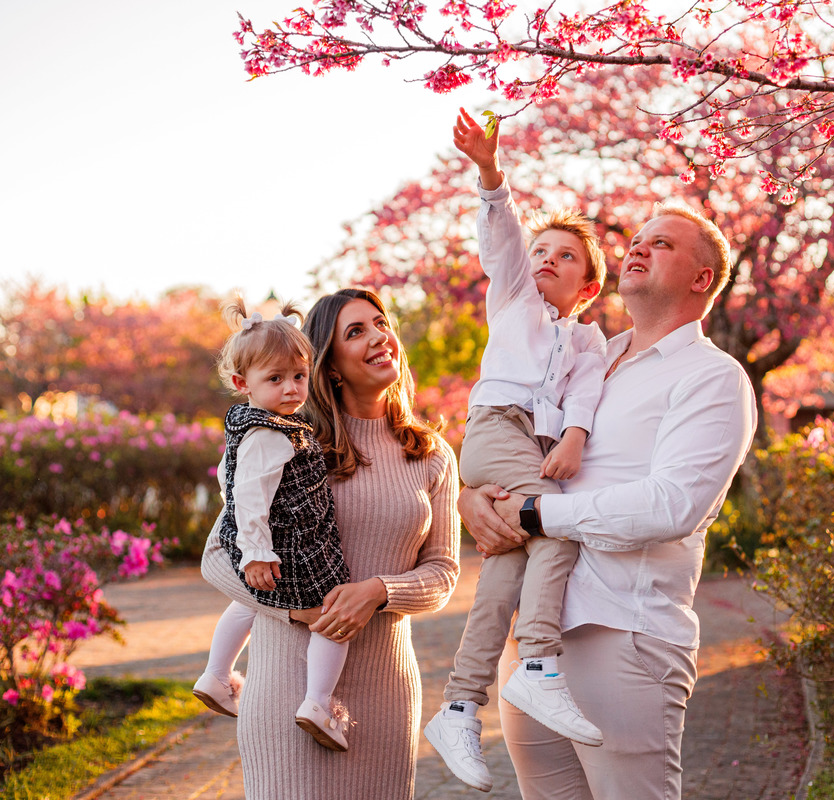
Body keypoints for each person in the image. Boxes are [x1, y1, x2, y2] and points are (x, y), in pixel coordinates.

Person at [460, 205, 758, 800]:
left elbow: (672, 505)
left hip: (624, 636)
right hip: (536, 639)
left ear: (702, 278)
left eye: (662, 244)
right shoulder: (581, 357)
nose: (638, 248)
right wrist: (473, 498)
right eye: (638, 239)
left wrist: (536, 515)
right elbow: (516, 445)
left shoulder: (712, 376)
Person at [200, 288, 460, 799]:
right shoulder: (287, 440)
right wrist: (296, 609)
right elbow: (217, 558)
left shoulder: (431, 454)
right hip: (286, 691)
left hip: (385, 697)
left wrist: (379, 591)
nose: (379, 337)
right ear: (331, 364)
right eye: (356, 331)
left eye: (381, 324)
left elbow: (444, 572)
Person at [424, 108, 608, 793]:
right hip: (497, 429)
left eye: (565, 257)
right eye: (542, 251)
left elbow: (586, 392)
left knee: (505, 568)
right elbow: (502, 238)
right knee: (556, 526)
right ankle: (538, 665)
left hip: (534, 444)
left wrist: (575, 436)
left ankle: (459, 707)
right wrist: (490, 172)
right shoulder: (513, 301)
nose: (546, 260)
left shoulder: (587, 339)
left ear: (589, 287)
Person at [192, 299, 353, 751]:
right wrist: (257, 551)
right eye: (275, 379)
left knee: (249, 603)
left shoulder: (257, 426)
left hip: (271, 543)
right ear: (242, 383)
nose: (291, 388)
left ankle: (216, 675)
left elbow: (229, 479)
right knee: (331, 618)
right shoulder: (269, 434)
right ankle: (319, 703)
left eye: (299, 376)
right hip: (291, 548)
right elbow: (247, 495)